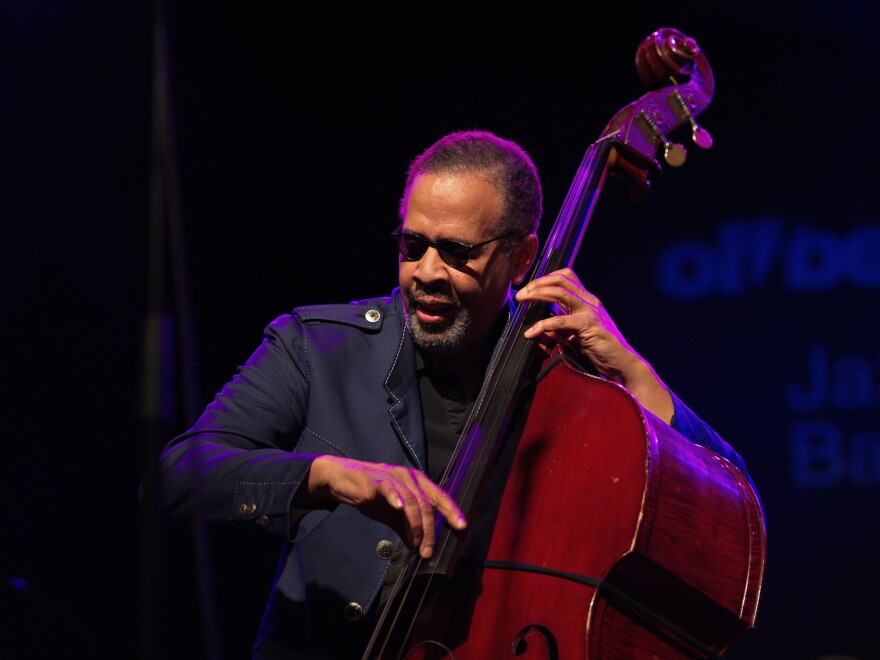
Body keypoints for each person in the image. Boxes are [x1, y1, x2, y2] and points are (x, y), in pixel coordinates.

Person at [156, 129, 752, 658]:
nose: (428, 272)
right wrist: (326, 476)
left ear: (521, 257)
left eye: (458, 252)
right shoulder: (317, 348)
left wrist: (633, 373)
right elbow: (179, 475)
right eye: (413, 246)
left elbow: (728, 498)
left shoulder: (574, 386)